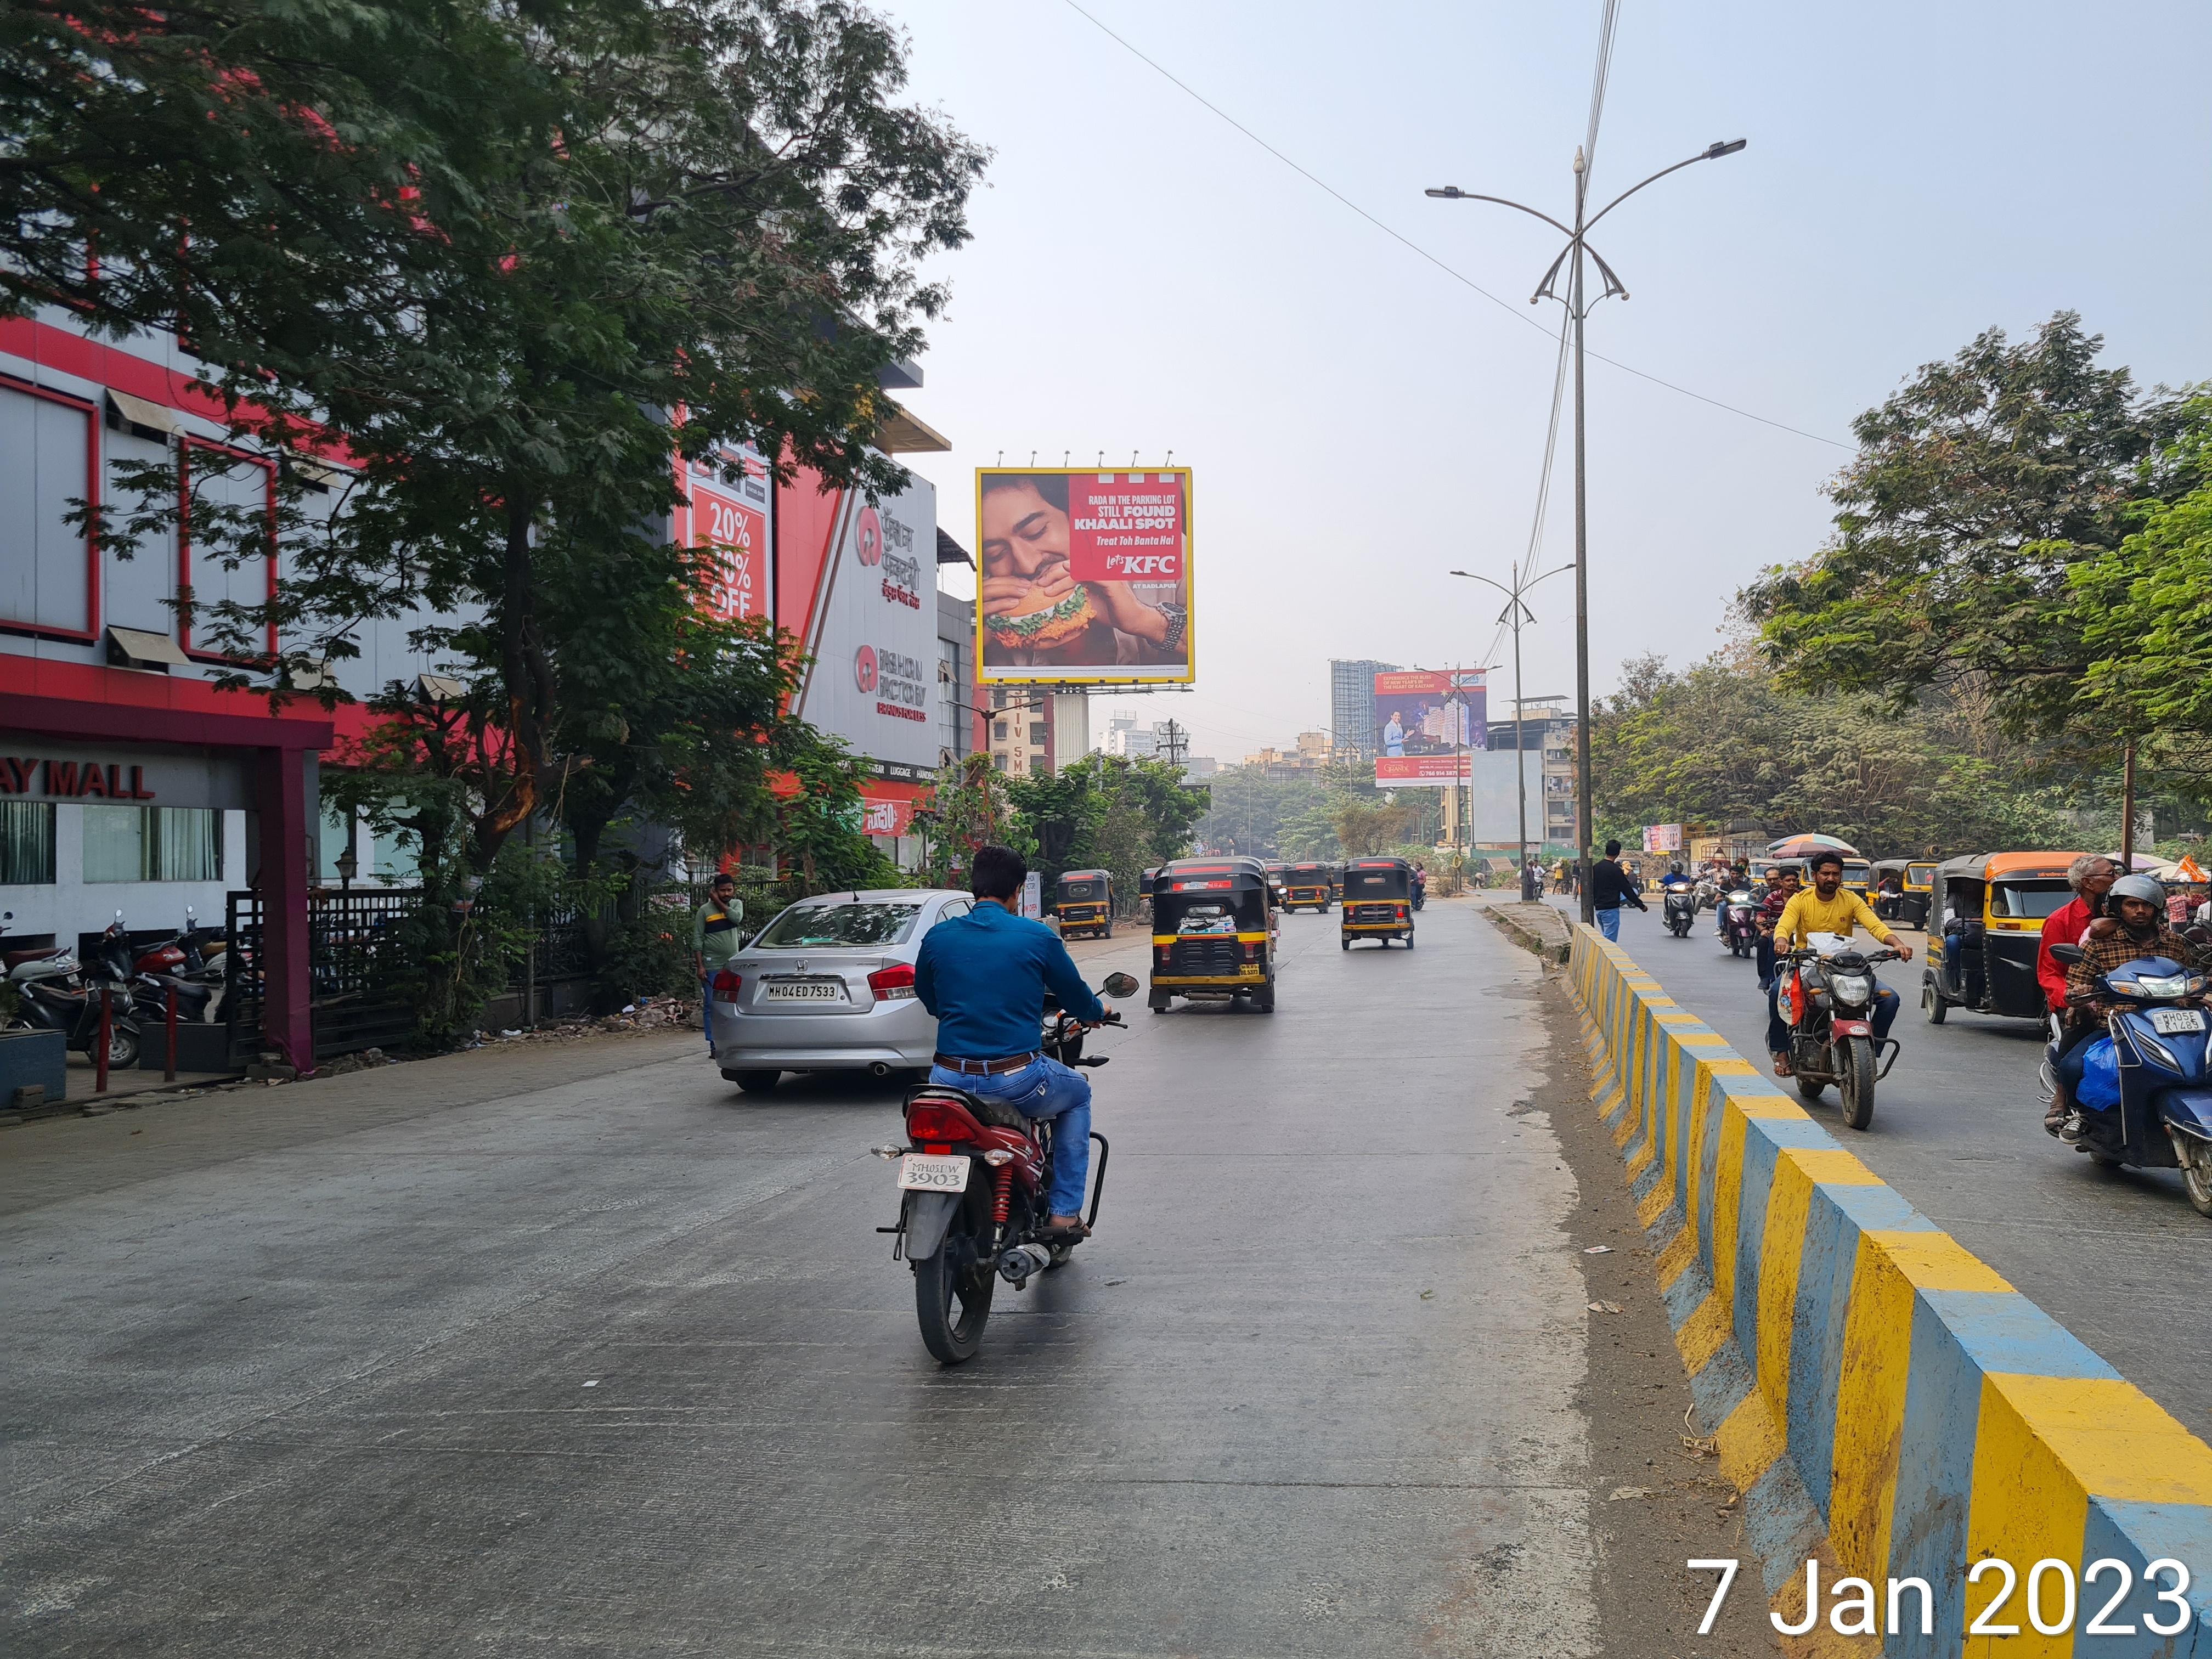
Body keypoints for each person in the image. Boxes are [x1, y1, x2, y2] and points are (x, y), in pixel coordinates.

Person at [913, 844, 1107, 1239]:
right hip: (1016, 1078)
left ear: (974, 887)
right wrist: (1095, 1013)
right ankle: (1065, 1213)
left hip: (946, 1079)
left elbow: (929, 996)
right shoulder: (1037, 936)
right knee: (1078, 1094)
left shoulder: (937, 937)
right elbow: (1075, 996)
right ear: (1017, 890)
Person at [978, 474, 1184, 670]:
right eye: (996, 554)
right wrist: (972, 640)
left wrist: (1145, 621)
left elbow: (1211, 652)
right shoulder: (987, 616)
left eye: (1036, 532)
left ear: (1080, 520)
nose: (1026, 565)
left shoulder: (1168, 554)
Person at [2053, 874, 2203, 1135]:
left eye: (2147, 906)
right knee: (2072, 1066)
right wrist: (2081, 993)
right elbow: (2073, 988)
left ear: (2157, 910)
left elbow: (2191, 978)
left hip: (2168, 1025)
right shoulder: (2097, 945)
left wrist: (2192, 993)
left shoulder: (2175, 944)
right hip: (2116, 1026)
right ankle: (2081, 1113)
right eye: (2133, 905)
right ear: (2119, 908)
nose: (2141, 911)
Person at [1765, 850, 1912, 1077]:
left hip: (1844, 967)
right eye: (1825, 873)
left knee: (1890, 999)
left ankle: (1870, 1053)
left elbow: (1875, 925)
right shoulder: (1800, 900)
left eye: (1836, 874)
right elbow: (1784, 925)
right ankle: (1781, 1050)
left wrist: (1897, 943)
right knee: (1777, 992)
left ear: (1841, 877)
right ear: (1814, 875)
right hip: (1807, 962)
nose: (1831, 878)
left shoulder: (1851, 899)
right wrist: (1782, 941)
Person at [2035, 855, 2119, 1126]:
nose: (2116, 878)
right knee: (2078, 1023)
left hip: (2127, 994)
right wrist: (2073, 998)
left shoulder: (2124, 915)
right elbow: (2049, 973)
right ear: (2088, 883)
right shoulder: (2061, 920)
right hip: (2080, 999)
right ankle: (2061, 1096)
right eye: (2110, 874)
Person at [691, 871, 744, 1058]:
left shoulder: (736, 905)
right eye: (722, 891)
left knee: (734, 1005)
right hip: (711, 965)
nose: (727, 894)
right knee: (712, 1006)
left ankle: (733, 1042)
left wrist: (719, 903)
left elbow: (736, 919)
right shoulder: (704, 911)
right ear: (715, 891)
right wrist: (700, 966)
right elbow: (697, 939)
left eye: (729, 890)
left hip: (732, 965)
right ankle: (714, 1045)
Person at [1754, 865, 1802, 990]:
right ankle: (1769, 977)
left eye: (1794, 880)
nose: (1791, 883)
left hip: (1798, 932)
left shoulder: (1802, 897)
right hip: (1775, 932)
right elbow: (1760, 915)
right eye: (1788, 880)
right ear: (1781, 882)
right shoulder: (1772, 897)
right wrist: (1761, 920)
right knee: (1766, 941)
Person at [1590, 840, 1647, 943]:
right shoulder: (1615, 870)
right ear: (1617, 853)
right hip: (1610, 909)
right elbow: (1626, 890)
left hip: (1599, 909)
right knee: (1610, 942)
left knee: (1606, 936)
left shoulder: (1596, 868)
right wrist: (1641, 905)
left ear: (1606, 851)